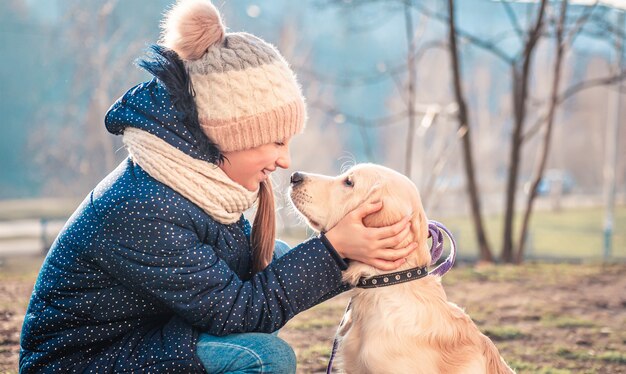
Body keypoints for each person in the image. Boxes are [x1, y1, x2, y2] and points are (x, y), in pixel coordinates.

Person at [18, 1, 416, 372]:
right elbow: (237, 312)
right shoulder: (148, 207)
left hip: (138, 339)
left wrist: (356, 252)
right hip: (81, 361)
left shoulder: (192, 179)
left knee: (271, 256)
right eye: (277, 141)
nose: (285, 160)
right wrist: (335, 251)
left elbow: (248, 274)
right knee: (263, 357)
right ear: (230, 135)